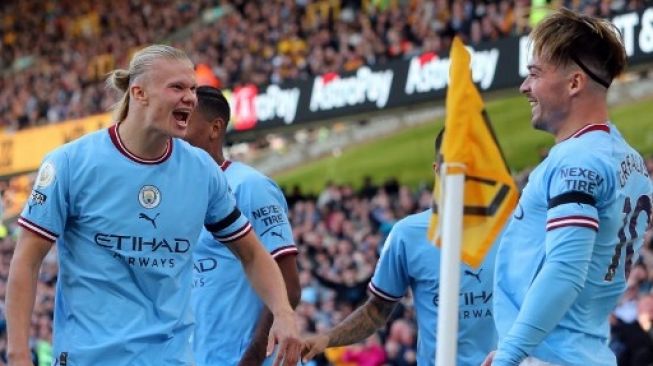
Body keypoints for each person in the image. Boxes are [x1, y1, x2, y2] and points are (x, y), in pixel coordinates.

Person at [6, 45, 301, 366]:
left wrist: (283, 312)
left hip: (171, 358)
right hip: (87, 358)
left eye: (192, 88)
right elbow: (26, 262)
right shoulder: (71, 163)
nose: (190, 97)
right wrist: (18, 353)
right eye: (177, 87)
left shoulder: (202, 171)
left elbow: (253, 253)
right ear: (139, 93)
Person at [485, 8, 653, 366]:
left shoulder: (578, 160)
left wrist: (510, 357)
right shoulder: (629, 160)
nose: (524, 87)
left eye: (534, 74)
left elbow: (564, 271)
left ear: (574, 83)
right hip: (579, 349)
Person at [301, 130, 499, 365]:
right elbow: (376, 311)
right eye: (455, 166)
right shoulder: (407, 235)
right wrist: (326, 339)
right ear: (437, 170)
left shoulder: (513, 225)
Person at [184, 86, 301, 365]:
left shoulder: (250, 187)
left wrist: (252, 356)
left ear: (214, 129)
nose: (175, 131)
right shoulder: (178, 196)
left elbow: (289, 286)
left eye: (185, 120)